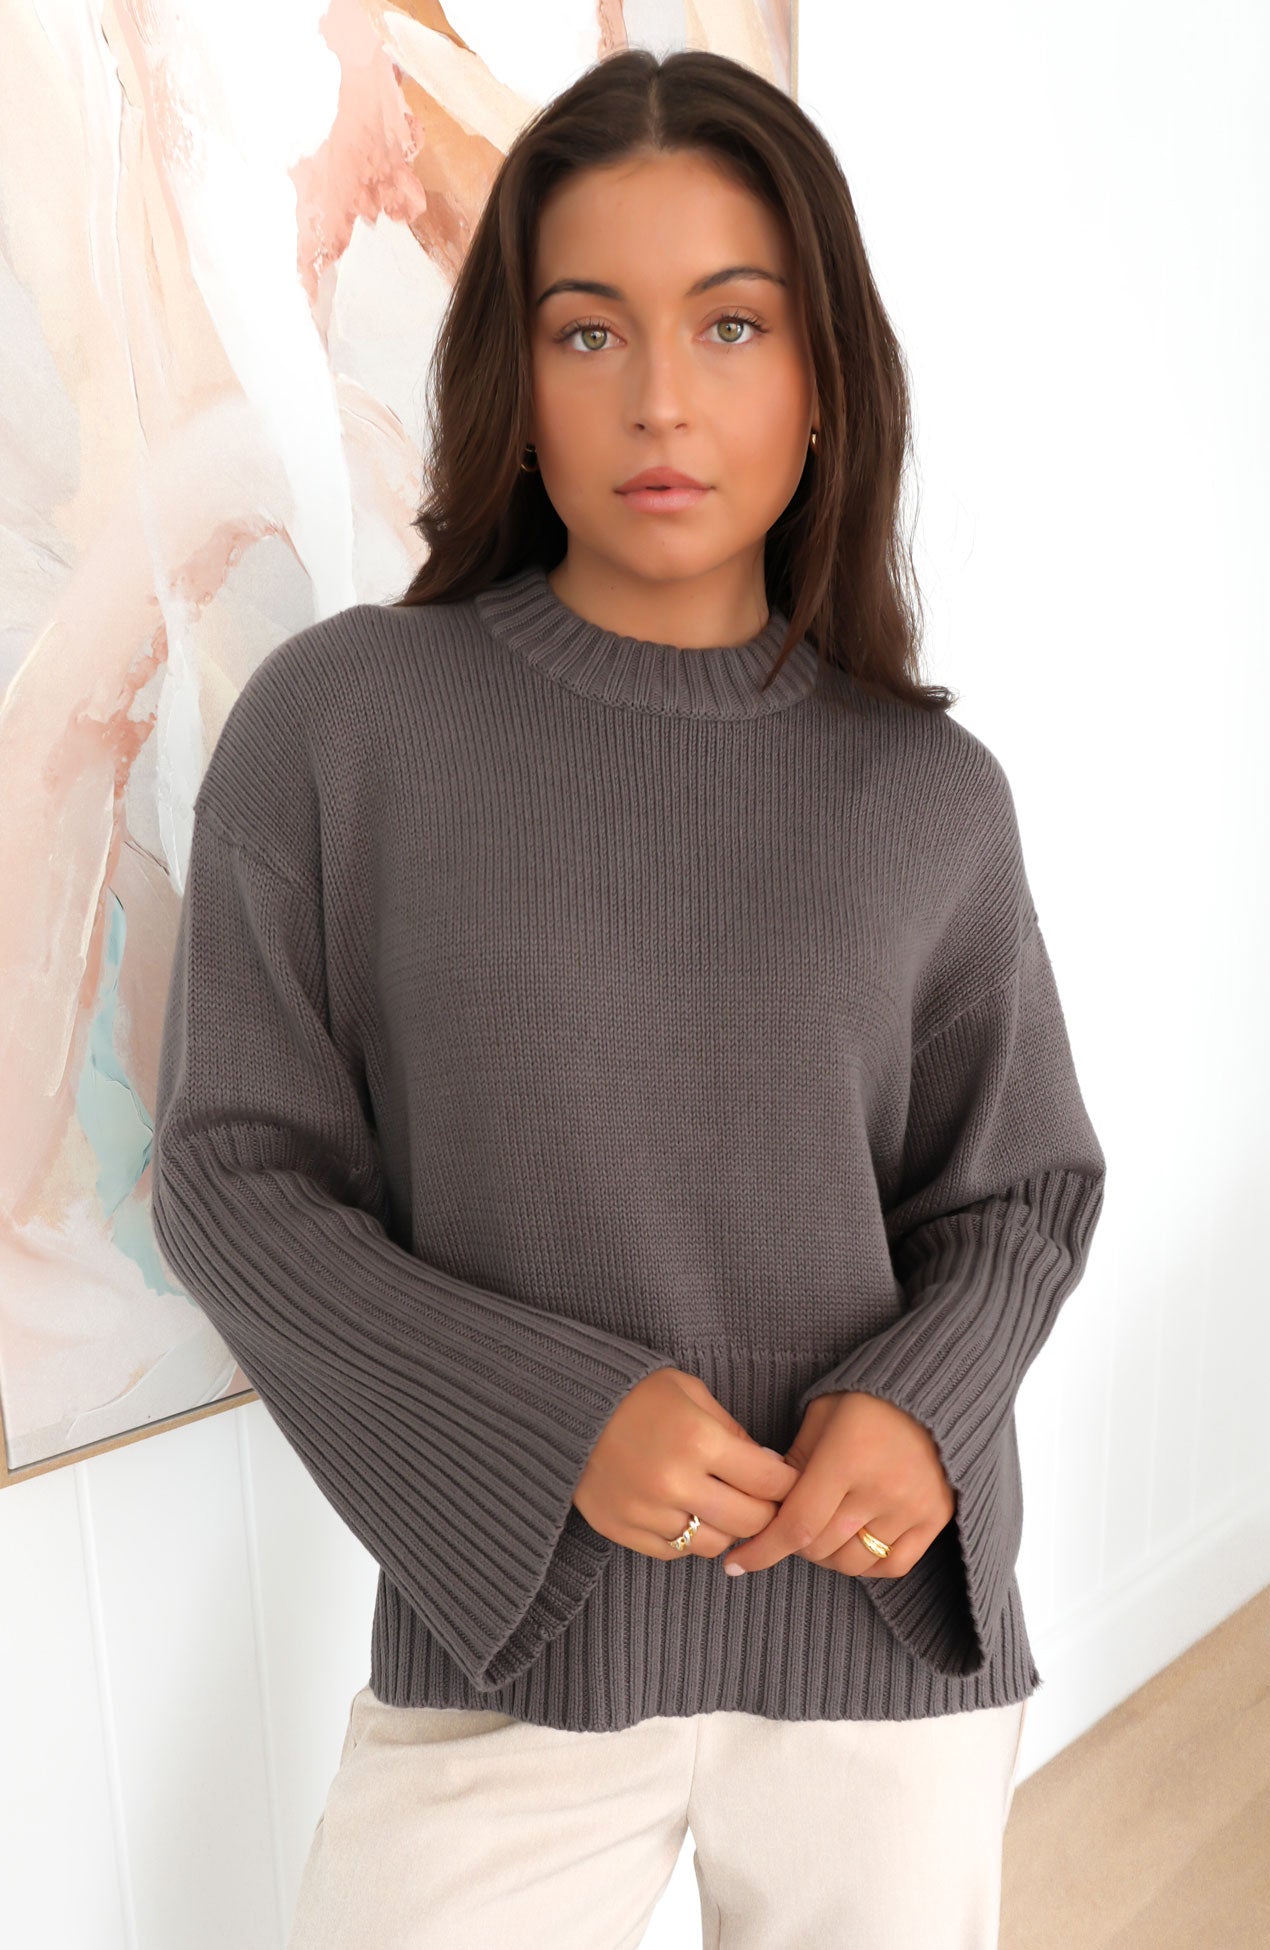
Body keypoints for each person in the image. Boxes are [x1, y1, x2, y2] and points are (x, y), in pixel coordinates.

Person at [149, 46, 1105, 1950]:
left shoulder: (928, 793)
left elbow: (1021, 1190)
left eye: (732, 324)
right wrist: (557, 1417)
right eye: (589, 332)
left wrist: (921, 1409)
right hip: (513, 1648)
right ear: (514, 381)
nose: (661, 397)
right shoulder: (343, 730)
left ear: (824, 378)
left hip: (875, 1650)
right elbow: (233, 1181)